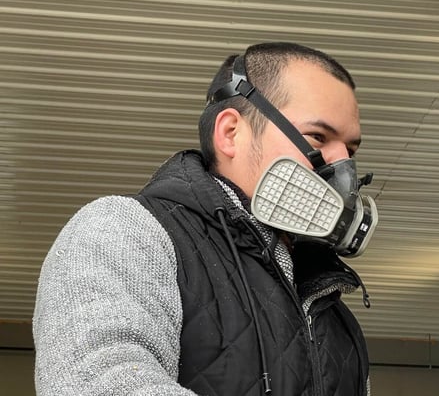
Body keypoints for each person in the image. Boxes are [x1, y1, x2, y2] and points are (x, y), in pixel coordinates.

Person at [33, 42, 378, 396]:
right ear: (231, 133)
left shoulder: (330, 307)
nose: (342, 170)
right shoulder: (126, 231)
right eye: (318, 137)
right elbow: (96, 381)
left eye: (350, 151)